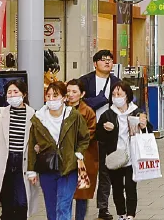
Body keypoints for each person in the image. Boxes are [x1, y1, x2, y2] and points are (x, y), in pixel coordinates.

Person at [27, 81, 91, 220]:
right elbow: (32, 145)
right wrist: (31, 170)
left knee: (63, 205)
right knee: (51, 208)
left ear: (64, 97)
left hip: (68, 168)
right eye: (48, 96)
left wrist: (77, 154)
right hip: (47, 168)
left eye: (55, 96)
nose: (51, 99)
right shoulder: (39, 119)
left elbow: (84, 138)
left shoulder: (73, 116)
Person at [0, 79, 40, 220]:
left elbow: (37, 141)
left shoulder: (33, 114)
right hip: (4, 162)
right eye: (9, 92)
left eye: (16, 92)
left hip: (24, 162)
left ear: (24, 94)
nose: (12, 95)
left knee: (22, 201)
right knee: (7, 202)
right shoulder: (0, 113)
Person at [95, 81, 151, 220]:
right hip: (115, 156)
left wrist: (143, 125)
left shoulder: (137, 112)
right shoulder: (108, 114)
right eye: (114, 94)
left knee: (131, 187)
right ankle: (121, 213)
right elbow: (98, 136)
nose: (116, 97)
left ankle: (131, 215)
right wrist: (105, 129)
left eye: (119, 94)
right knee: (117, 188)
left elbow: (149, 130)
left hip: (133, 156)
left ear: (127, 95)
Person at [78, 50, 119, 220]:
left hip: (108, 133)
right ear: (95, 63)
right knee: (86, 171)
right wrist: (99, 99)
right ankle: (81, 208)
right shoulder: (85, 81)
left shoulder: (117, 82)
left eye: (110, 60)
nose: (107, 62)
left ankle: (103, 207)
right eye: (103, 60)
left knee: (106, 171)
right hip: (88, 133)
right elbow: (77, 102)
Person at [65, 80, 98, 220]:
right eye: (68, 91)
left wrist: (74, 144)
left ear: (82, 94)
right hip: (64, 156)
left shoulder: (88, 111)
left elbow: (90, 132)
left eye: (74, 92)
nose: (70, 95)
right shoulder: (60, 108)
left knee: (81, 192)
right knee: (64, 192)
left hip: (83, 156)